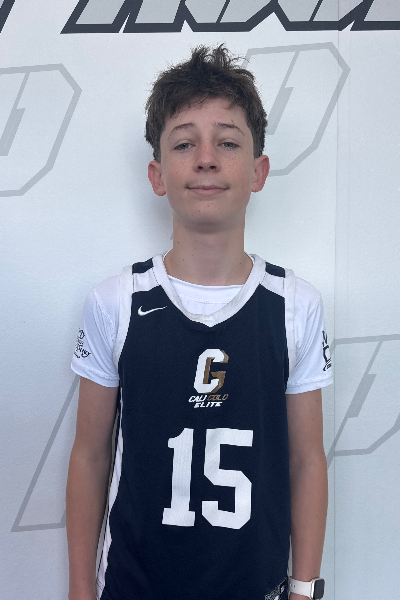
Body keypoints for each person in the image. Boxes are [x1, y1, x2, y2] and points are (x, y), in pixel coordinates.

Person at [66, 45, 333, 600]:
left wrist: (305, 588)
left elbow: (307, 461)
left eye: (227, 142)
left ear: (258, 171)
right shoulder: (115, 301)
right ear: (158, 174)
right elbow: (90, 456)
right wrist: (79, 590)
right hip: (135, 585)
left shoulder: (295, 305)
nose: (206, 159)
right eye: (185, 143)